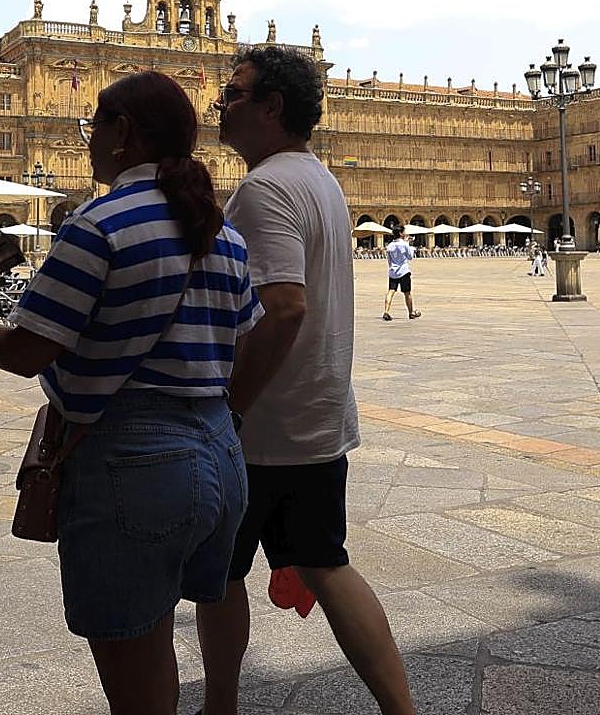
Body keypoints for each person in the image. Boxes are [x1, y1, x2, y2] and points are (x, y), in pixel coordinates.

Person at [0, 71, 261, 715]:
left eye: (95, 126)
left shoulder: (98, 224)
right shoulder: (221, 234)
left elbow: (28, 350)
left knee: (132, 665)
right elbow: (246, 338)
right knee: (159, 641)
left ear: (122, 135)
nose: (88, 139)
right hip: (221, 454)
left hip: (134, 462)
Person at [196, 45, 414, 715]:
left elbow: (286, 305)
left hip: (262, 427)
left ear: (271, 107)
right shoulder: (318, 179)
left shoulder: (264, 188)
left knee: (219, 576)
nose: (219, 105)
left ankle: (221, 706)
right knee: (328, 564)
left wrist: (231, 406)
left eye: (233, 94)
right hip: (316, 418)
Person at [382, 226, 420, 320]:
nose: (405, 233)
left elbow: (389, 261)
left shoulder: (390, 245)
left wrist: (392, 268)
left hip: (393, 272)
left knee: (391, 291)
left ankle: (386, 311)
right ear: (400, 233)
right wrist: (410, 246)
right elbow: (410, 257)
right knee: (407, 293)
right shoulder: (405, 244)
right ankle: (411, 313)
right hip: (404, 271)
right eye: (404, 232)